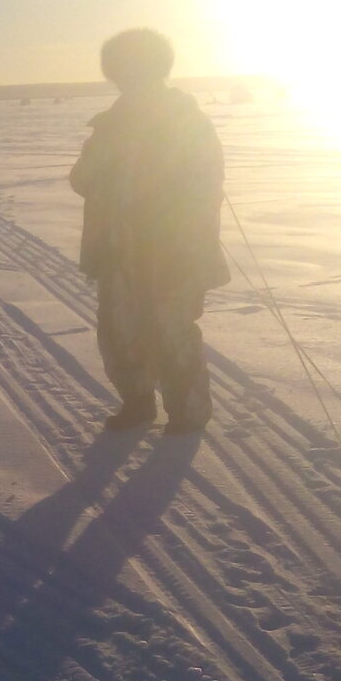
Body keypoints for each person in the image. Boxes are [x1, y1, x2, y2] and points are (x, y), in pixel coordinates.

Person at [70, 29, 230, 434]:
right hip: (118, 249)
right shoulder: (109, 126)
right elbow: (82, 179)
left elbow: (205, 189)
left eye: (134, 70)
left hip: (176, 249)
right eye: (121, 72)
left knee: (172, 328)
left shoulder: (188, 122)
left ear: (156, 70)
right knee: (119, 329)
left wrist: (188, 243)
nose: (128, 79)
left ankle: (189, 414)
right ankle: (137, 404)